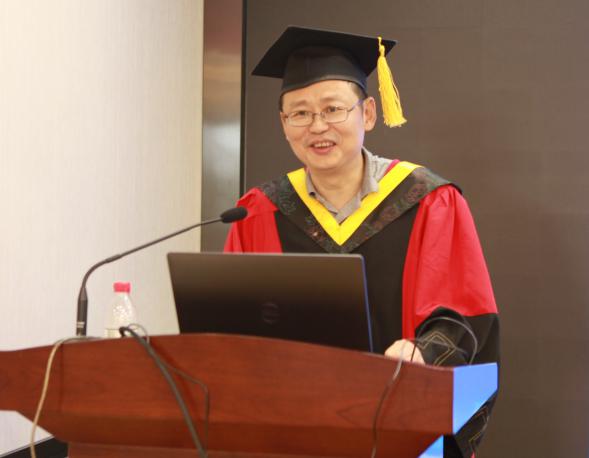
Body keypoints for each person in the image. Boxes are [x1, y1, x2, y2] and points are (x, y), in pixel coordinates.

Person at [224, 26, 499, 457]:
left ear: (368, 113)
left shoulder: (428, 200)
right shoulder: (258, 212)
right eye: (300, 113)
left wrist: (423, 352)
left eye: (333, 109)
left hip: (401, 427)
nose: (318, 126)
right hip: (292, 433)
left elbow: (466, 315)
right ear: (283, 124)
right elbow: (232, 329)